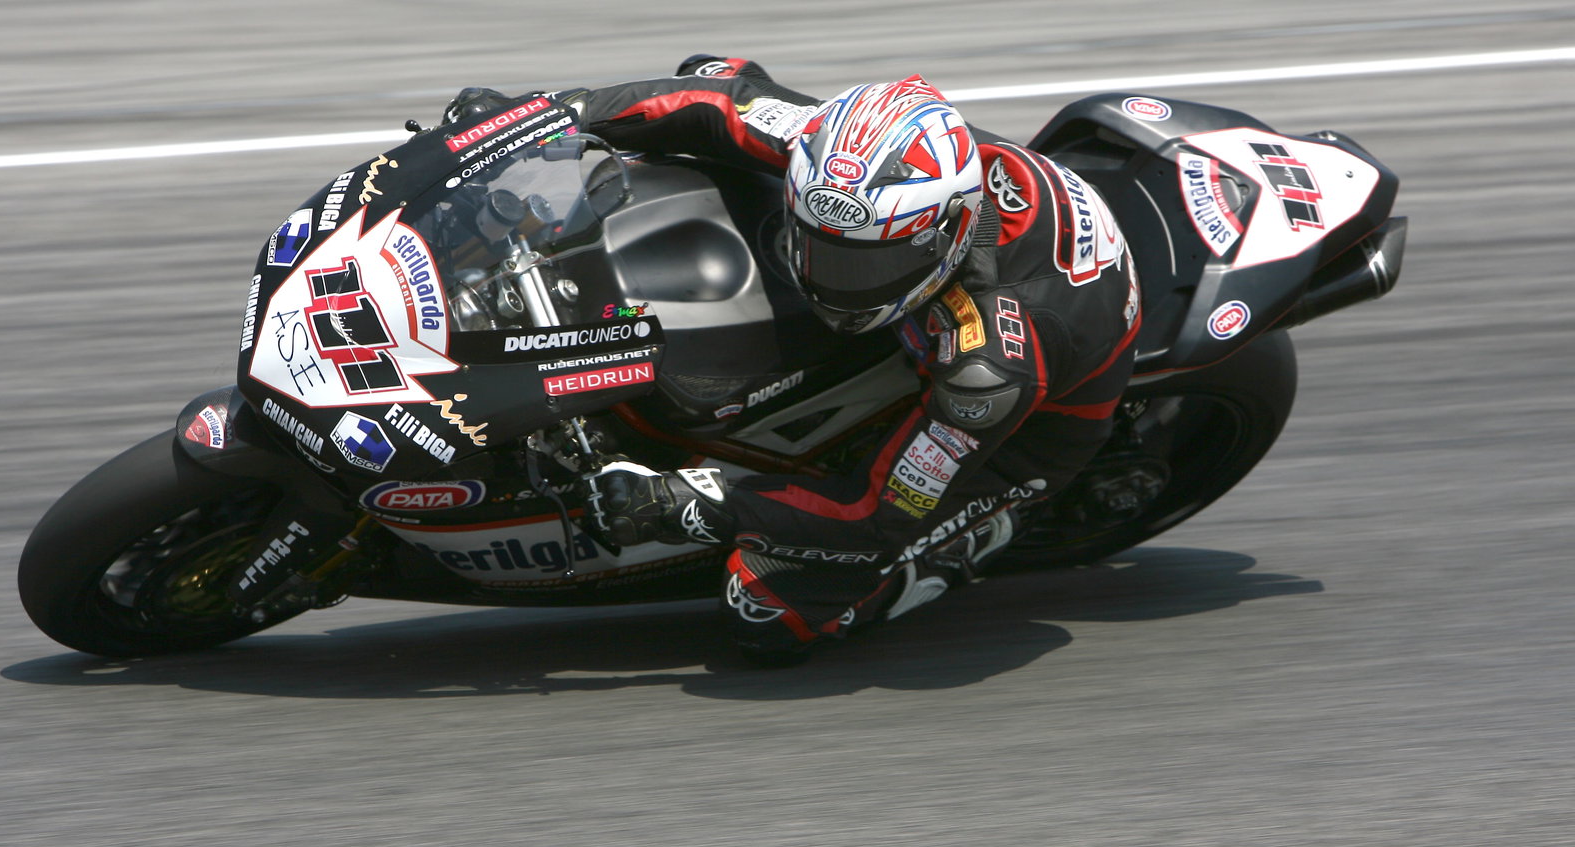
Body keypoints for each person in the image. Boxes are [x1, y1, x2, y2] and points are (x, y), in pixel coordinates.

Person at [446, 56, 1142, 663]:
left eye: (862, 265)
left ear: (948, 237)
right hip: (963, 276)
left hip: (1026, 433)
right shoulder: (849, 165)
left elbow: (875, 508)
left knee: (769, 613)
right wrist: (538, 120)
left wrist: (692, 503)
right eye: (817, 242)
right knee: (710, 72)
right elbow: (716, 103)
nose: (827, 280)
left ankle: (947, 555)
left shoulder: (987, 366)